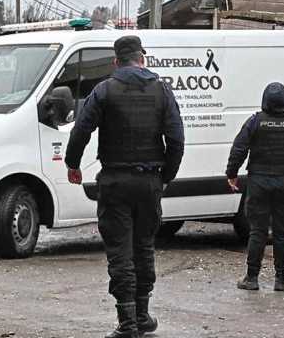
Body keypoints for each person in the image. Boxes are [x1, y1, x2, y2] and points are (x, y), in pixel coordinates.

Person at [65, 35, 184, 338]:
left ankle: (128, 322)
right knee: (143, 248)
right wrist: (165, 176)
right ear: (142, 59)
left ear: (116, 62)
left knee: (120, 251)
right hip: (149, 181)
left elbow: (81, 130)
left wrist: (73, 164)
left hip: (115, 181)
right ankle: (142, 315)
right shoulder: (162, 91)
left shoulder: (104, 90)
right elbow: (177, 140)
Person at [225, 82, 284, 292]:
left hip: (259, 183)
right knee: (281, 233)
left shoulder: (255, 121)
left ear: (265, 101)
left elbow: (239, 148)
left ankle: (251, 278)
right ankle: (280, 280)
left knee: (257, 231)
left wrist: (231, 173)